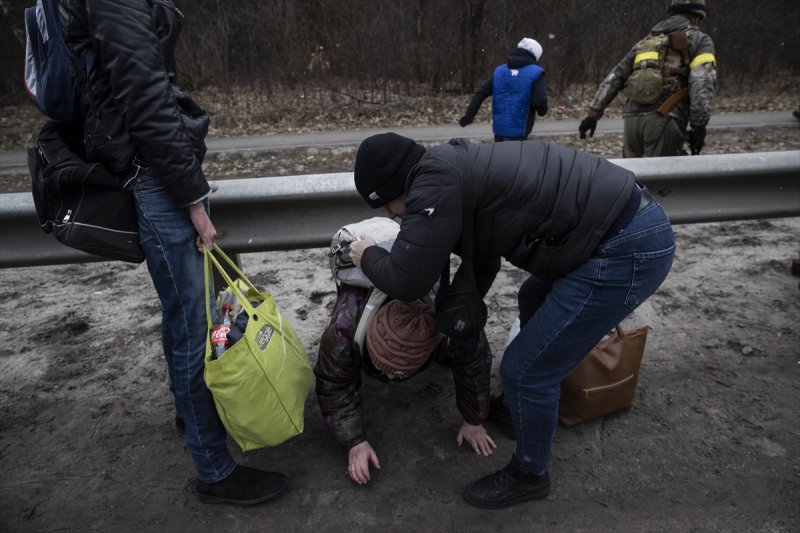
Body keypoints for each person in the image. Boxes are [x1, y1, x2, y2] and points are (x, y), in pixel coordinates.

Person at [348, 132, 676, 509]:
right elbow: (484, 254)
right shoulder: (450, 168)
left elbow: (407, 280)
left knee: (524, 371)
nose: (392, 216)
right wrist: (458, 312)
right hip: (612, 227)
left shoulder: (432, 186)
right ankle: (528, 405)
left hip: (625, 246)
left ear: (397, 186)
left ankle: (530, 474)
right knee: (531, 295)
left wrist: (367, 255)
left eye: (389, 205)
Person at [61, 0, 286, 505]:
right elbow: (145, 97)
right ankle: (213, 468)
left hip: (156, 168)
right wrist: (190, 196)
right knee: (194, 325)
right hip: (157, 176)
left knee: (185, 316)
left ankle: (192, 416)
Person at [316, 230, 496, 485]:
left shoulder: (451, 321)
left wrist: (473, 420)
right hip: (367, 265)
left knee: (460, 349)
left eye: (401, 373)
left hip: (420, 290)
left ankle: (441, 356)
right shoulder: (344, 329)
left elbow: (475, 365)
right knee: (340, 364)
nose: (390, 378)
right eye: (385, 369)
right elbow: (332, 385)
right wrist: (354, 441)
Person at [578, 0, 717, 157]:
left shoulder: (646, 41)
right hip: (663, 119)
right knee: (662, 179)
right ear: (697, 17)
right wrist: (699, 125)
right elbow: (702, 81)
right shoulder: (700, 40)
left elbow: (616, 76)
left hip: (632, 121)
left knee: (632, 178)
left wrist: (592, 115)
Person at [459, 37, 548, 142]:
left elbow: (481, 92)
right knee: (515, 158)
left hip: (499, 129)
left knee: (499, 157)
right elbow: (539, 101)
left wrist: (470, 114)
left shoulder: (499, 71)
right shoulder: (536, 73)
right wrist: (542, 110)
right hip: (520, 130)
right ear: (536, 55)